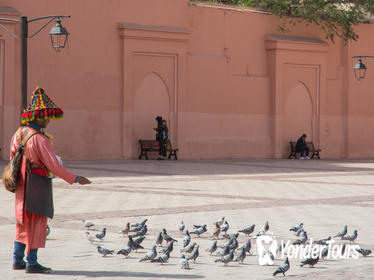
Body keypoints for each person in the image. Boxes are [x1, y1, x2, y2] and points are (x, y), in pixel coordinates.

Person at [10, 86, 91, 273]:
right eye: (46, 117)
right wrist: (76, 178)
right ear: (39, 116)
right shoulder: (40, 139)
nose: (48, 121)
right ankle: (32, 262)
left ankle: (17, 259)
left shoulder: (18, 134)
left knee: (22, 221)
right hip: (37, 184)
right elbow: (54, 165)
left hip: (22, 184)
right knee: (37, 222)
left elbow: (13, 156)